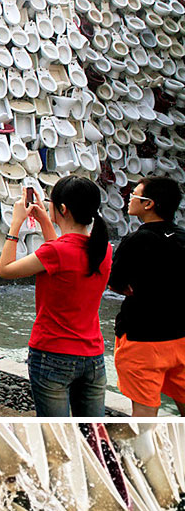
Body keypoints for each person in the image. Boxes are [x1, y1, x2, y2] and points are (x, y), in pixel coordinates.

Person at [0, 175, 112, 417]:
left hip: (52, 354)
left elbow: (5, 270)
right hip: (93, 356)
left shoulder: (55, 252)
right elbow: (63, 256)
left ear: (62, 209)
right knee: (92, 434)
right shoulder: (103, 250)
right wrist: (44, 222)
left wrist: (16, 224)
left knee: (56, 436)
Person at [108, 176, 185, 418]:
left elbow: (116, 283)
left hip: (143, 339)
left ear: (148, 204)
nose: (129, 199)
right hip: (181, 336)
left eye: (135, 195)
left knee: (144, 410)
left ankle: (144, 455)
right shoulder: (183, 237)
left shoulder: (137, 240)